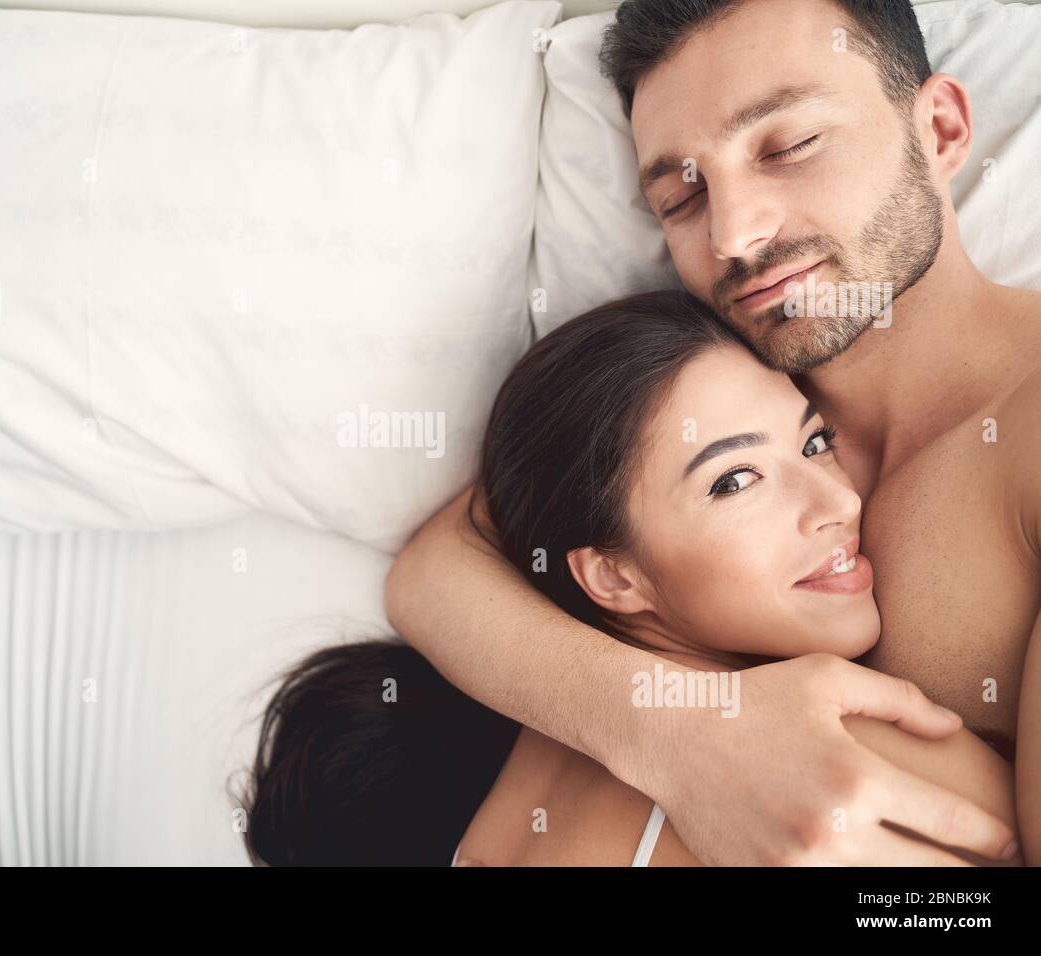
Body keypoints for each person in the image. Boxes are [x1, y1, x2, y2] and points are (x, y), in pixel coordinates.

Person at [385, 0, 1041, 865]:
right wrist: (683, 739)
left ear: (943, 129)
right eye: (682, 193)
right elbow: (441, 568)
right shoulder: (718, 382)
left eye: (788, 145)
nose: (734, 235)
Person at [237, 292, 1019, 866]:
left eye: (814, 444)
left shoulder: (517, 778)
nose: (840, 501)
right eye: (735, 481)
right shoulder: (837, 753)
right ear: (611, 576)